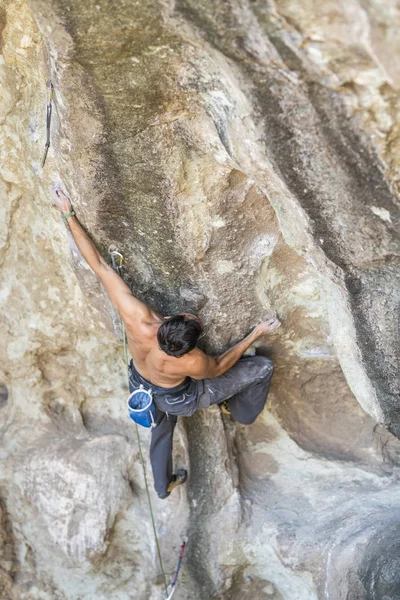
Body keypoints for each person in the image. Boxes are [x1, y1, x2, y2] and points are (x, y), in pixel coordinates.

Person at [52, 185, 281, 499]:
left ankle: (162, 487)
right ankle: (237, 411)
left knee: (160, 431)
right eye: (191, 319)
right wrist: (255, 334)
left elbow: (100, 267)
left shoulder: (138, 318)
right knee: (262, 367)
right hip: (178, 397)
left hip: (142, 384)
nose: (189, 313)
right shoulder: (192, 362)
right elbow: (219, 368)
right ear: (187, 346)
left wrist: (68, 213)